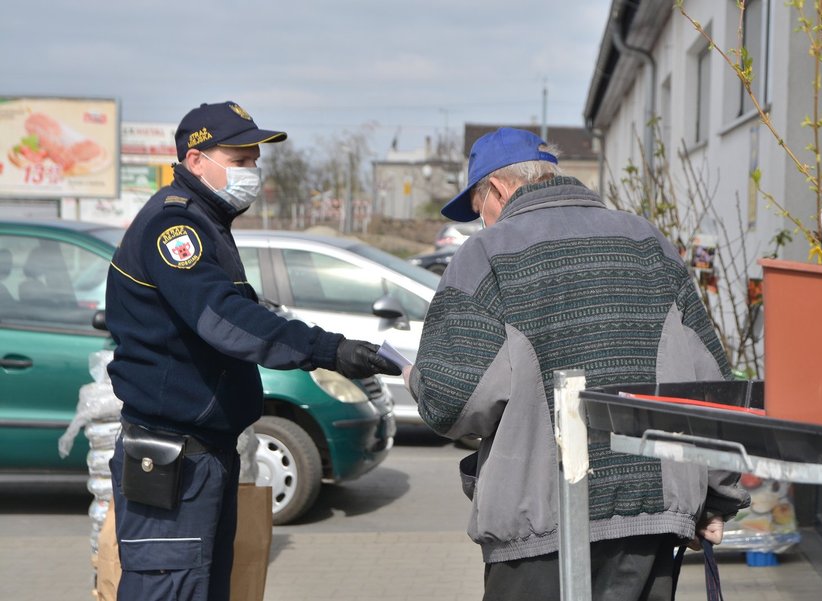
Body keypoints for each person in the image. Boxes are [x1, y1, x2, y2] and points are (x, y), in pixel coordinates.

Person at [405, 127, 749, 601]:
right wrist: (717, 498)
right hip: (648, 524)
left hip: (539, 534)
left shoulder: (486, 254)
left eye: (478, 208)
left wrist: (416, 380)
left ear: (499, 190)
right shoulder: (650, 243)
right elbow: (709, 384)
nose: (480, 222)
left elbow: (451, 402)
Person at [104, 101, 400, 601]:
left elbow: (243, 312)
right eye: (239, 160)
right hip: (175, 456)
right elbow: (224, 319)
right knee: (172, 588)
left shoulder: (209, 222)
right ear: (196, 161)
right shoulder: (175, 228)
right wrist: (327, 349)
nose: (252, 171)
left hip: (204, 453)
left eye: (254, 160)